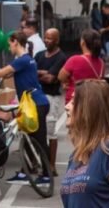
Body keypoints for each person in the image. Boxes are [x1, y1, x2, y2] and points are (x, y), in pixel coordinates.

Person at [0, 31, 50, 185]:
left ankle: (46, 176)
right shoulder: (27, 60)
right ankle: (25, 172)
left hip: (36, 103)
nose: (8, 48)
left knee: (39, 140)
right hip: (33, 103)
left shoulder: (23, 60)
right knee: (28, 137)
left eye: (9, 44)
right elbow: (5, 75)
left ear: (15, 41)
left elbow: (0, 73)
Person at [35, 28, 67, 172]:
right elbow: (33, 73)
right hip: (38, 96)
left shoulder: (61, 57)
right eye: (46, 37)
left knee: (50, 131)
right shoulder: (39, 55)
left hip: (52, 97)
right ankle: (38, 162)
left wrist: (41, 74)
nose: (47, 40)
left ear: (57, 40)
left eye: (50, 38)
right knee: (37, 130)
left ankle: (52, 165)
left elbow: (51, 79)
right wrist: (44, 73)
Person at [58, 29, 106, 104]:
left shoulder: (75, 60)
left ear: (83, 43)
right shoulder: (101, 62)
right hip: (93, 101)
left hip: (75, 100)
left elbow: (61, 76)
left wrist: (66, 82)